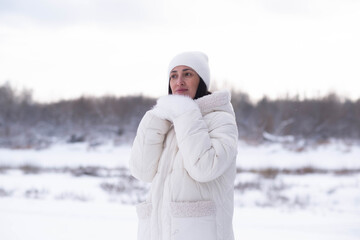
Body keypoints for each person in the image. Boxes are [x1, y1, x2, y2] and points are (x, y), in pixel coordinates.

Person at [129, 51, 238, 240]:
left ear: (201, 80)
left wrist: (186, 113)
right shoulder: (170, 122)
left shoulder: (221, 120)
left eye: (187, 74)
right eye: (173, 75)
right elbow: (142, 171)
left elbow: (205, 168)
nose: (179, 81)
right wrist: (154, 119)